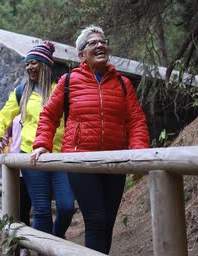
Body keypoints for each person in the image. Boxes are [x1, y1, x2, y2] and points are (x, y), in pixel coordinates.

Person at [32, 25, 150, 254]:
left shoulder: (123, 84)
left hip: (116, 161)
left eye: (103, 41)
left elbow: (136, 120)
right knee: (95, 219)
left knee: (107, 222)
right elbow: (48, 115)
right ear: (81, 55)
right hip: (80, 161)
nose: (100, 45)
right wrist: (42, 145)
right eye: (93, 43)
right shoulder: (68, 81)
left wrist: (139, 153)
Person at [0, 41, 75, 240]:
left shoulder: (60, 89)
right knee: (42, 210)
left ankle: (56, 238)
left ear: (45, 65)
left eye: (33, 63)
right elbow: (3, 116)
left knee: (66, 206)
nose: (29, 67)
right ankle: (44, 251)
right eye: (27, 64)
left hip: (59, 155)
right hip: (30, 157)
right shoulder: (21, 92)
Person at [0, 114, 32, 227]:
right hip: (16, 167)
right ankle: (21, 240)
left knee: (36, 205)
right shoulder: (14, 115)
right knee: (21, 206)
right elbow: (4, 136)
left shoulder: (38, 109)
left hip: (33, 164)